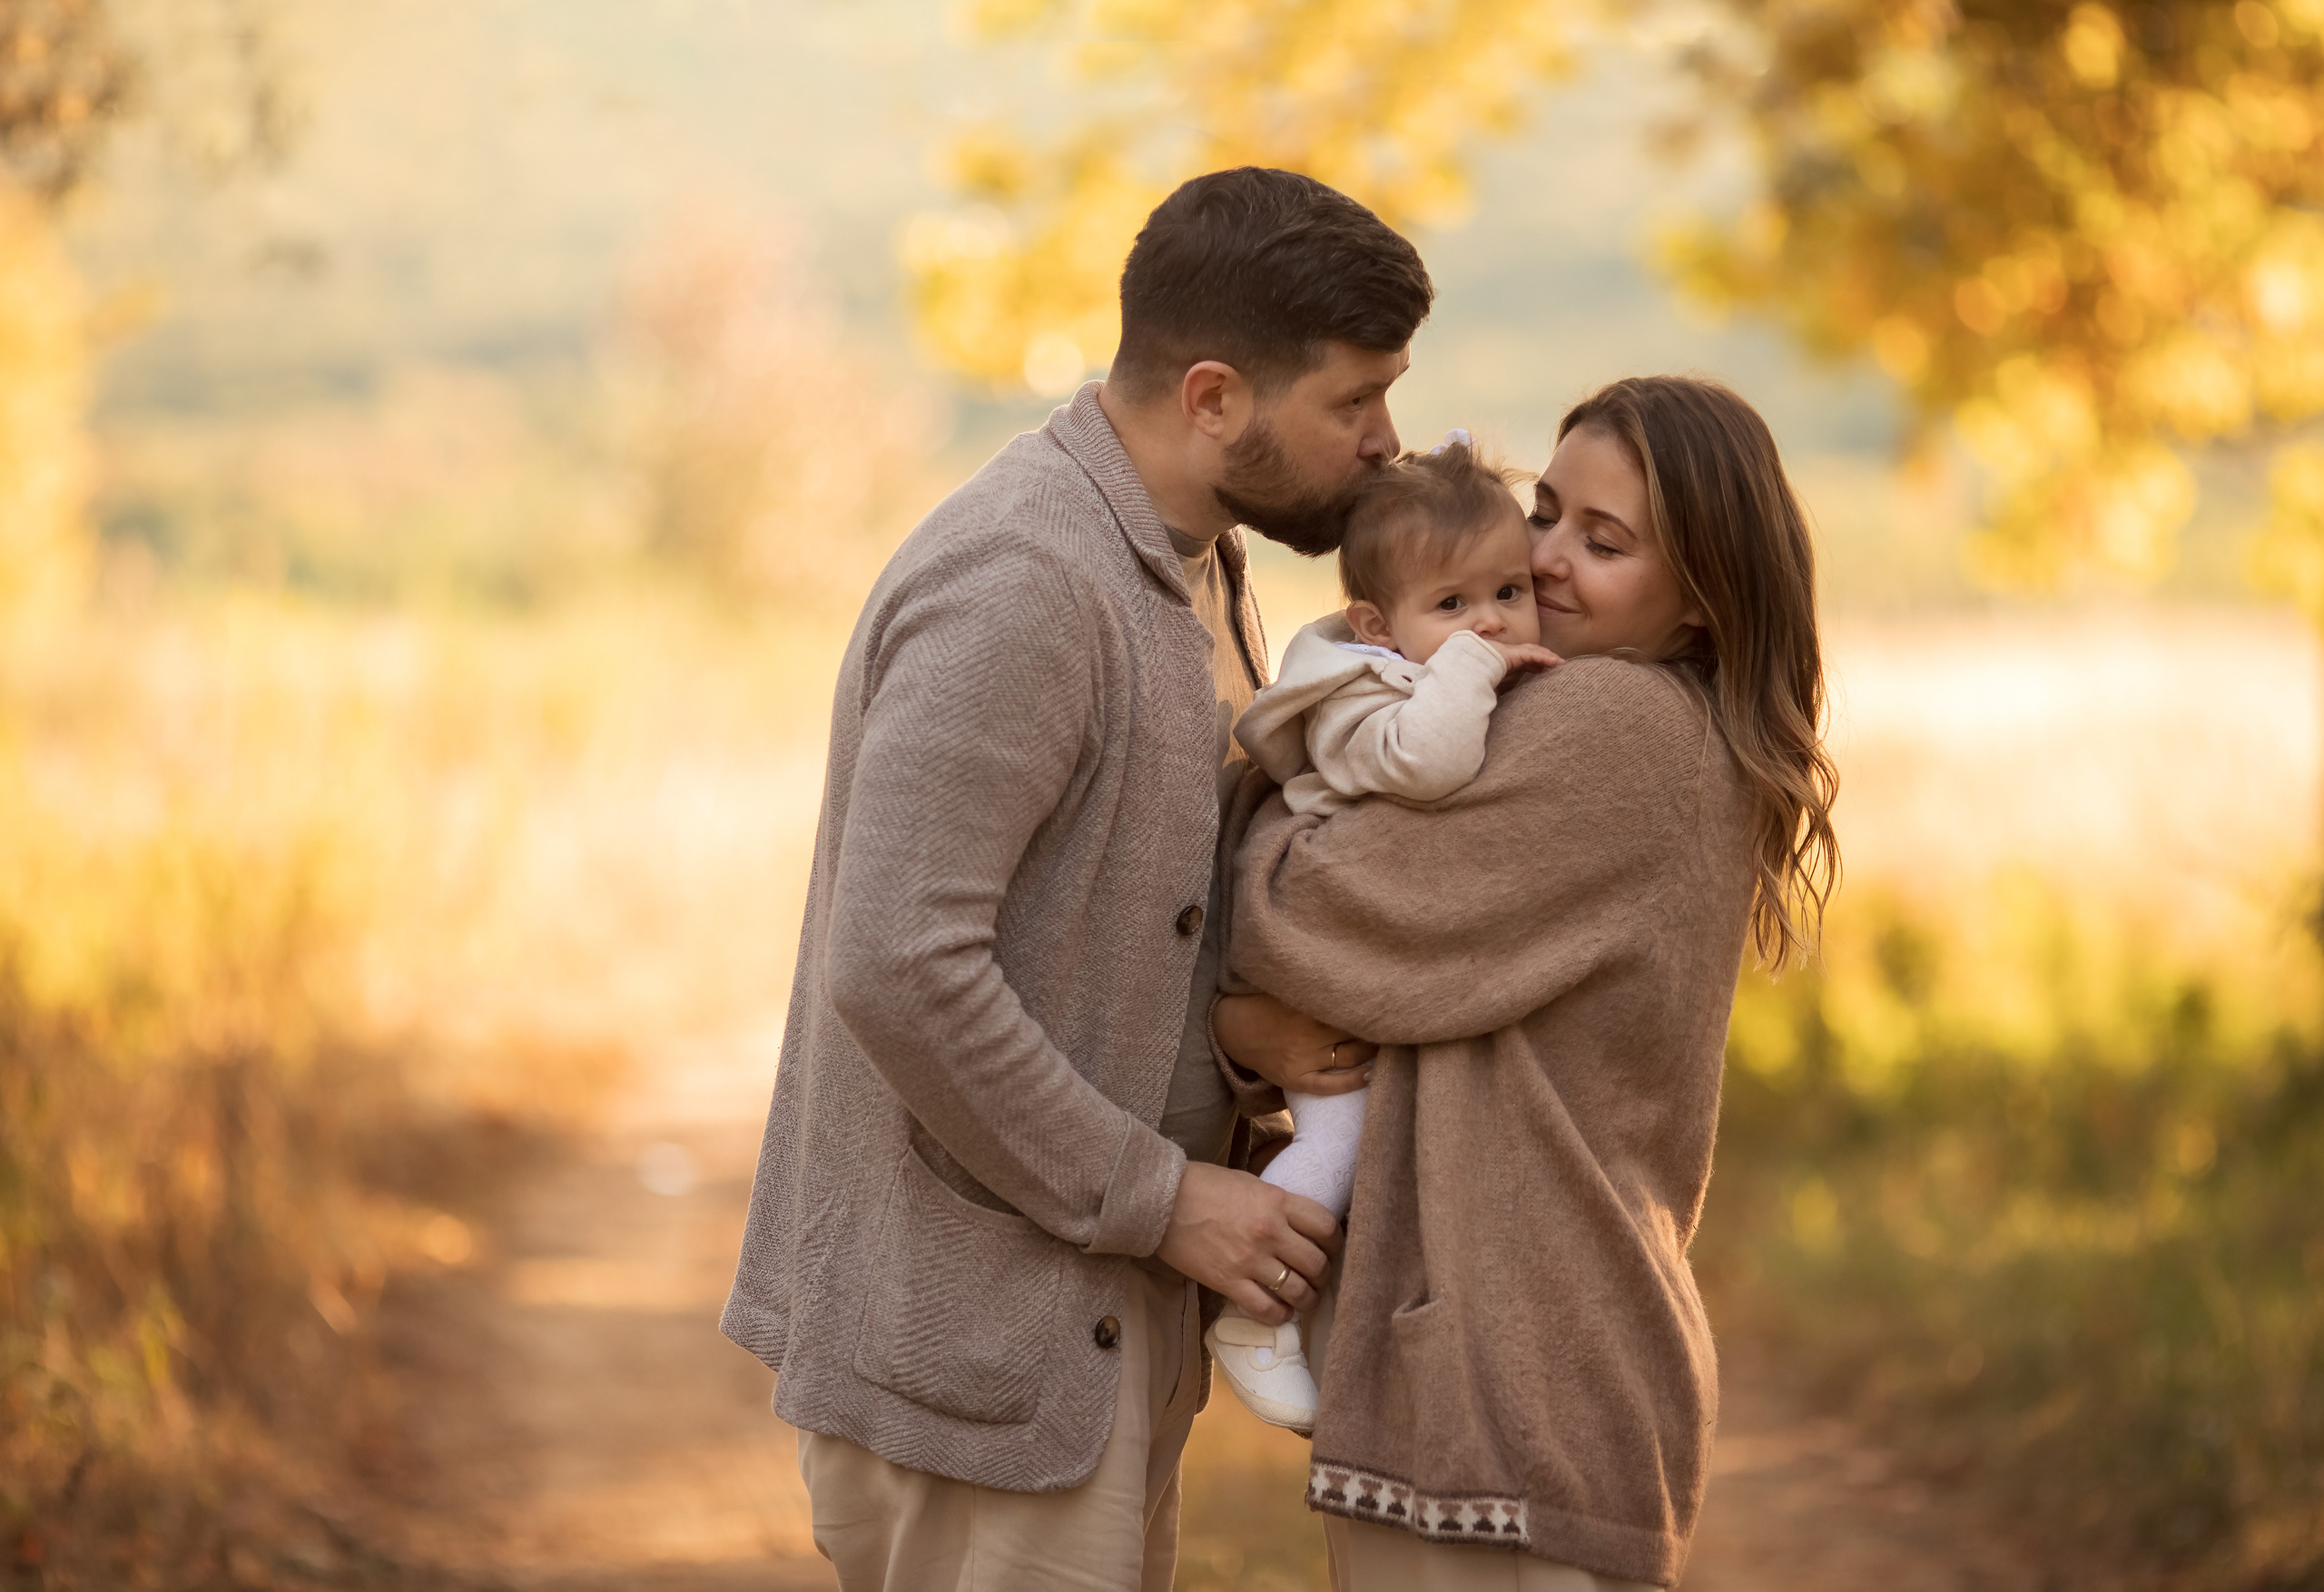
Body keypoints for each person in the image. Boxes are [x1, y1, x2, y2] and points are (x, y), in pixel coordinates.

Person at [718, 166, 1434, 1592]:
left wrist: (1234, 1040)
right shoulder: (1026, 582)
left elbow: (1111, 912)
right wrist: (1168, 1200)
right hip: (970, 1356)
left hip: (1079, 1336)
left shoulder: (1197, 558)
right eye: (1354, 401)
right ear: (1216, 396)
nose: (1386, 442)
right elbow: (900, 963)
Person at [1209, 375, 1840, 1591]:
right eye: (1546, 511)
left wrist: (1261, 928)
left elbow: (1307, 911)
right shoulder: (1587, 707)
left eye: (1603, 542)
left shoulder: (1612, 725)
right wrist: (1261, 1028)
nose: (1544, 559)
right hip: (1515, 1370)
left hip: (1519, 1381)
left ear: (1704, 599)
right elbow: (1395, 966)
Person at [1205, 435, 1558, 1433]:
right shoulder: (1364, 696)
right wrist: (1482, 670)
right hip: (1316, 961)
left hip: (1351, 942)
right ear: (1376, 624)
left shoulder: (1425, 664)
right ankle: (1254, 1307)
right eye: (1452, 607)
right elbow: (1434, 765)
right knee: (1342, 1137)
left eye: (1507, 591)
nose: (1488, 622)